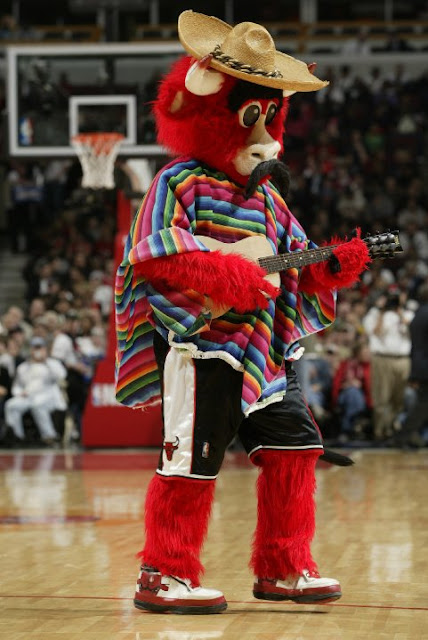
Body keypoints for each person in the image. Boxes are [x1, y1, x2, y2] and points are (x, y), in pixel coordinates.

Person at [115, 10, 370, 614]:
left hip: (262, 353)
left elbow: (296, 263)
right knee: (191, 462)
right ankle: (163, 573)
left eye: (271, 116)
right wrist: (224, 273)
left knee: (296, 450)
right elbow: (154, 252)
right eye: (252, 114)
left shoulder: (271, 200)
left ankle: (284, 564)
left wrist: (333, 266)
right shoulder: (178, 181)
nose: (265, 133)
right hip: (200, 345)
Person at [362, 289, 414, 441]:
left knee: (398, 398)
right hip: (382, 358)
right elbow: (374, 331)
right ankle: (379, 431)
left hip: (403, 360)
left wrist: (400, 313)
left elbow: (412, 329)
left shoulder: (408, 314)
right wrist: (382, 312)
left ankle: (392, 429)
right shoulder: (374, 314)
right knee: (381, 397)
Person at [3, 336, 67, 446]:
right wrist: (19, 393)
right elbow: (16, 386)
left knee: (38, 405)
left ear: (45, 349)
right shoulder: (23, 366)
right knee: (11, 405)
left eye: (40, 348)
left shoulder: (52, 363)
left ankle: (49, 436)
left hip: (48, 396)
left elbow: (61, 375)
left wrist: (45, 360)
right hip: (27, 396)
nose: (37, 351)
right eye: (35, 348)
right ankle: (18, 436)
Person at [393, 283, 428, 448]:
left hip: (420, 363)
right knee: (423, 404)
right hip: (425, 364)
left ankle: (408, 435)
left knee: (423, 403)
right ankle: (404, 435)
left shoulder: (420, 313)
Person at [331, 340, 372, 441]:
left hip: (362, 396)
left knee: (355, 394)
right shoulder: (345, 364)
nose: (367, 355)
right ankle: (349, 428)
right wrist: (348, 384)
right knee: (352, 392)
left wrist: (360, 384)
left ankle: (347, 429)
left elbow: (369, 386)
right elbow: (336, 383)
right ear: (358, 353)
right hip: (344, 394)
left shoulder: (368, 367)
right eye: (365, 352)